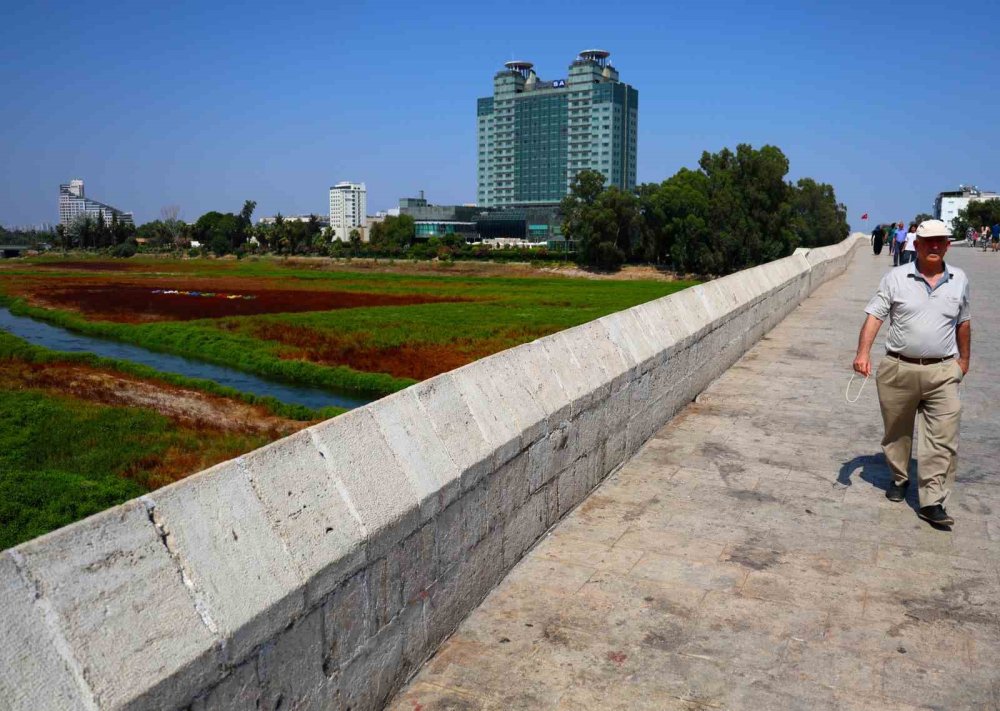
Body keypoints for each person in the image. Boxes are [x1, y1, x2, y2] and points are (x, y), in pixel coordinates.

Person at [853, 219, 971, 527]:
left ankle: (932, 501)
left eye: (940, 241)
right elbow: (875, 316)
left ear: (947, 245)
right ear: (916, 245)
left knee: (943, 439)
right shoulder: (896, 277)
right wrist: (863, 353)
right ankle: (900, 476)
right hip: (898, 368)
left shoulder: (959, 279)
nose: (934, 246)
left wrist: (963, 362)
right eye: (928, 241)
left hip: (943, 371)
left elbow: (964, 322)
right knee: (897, 431)